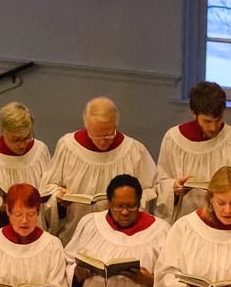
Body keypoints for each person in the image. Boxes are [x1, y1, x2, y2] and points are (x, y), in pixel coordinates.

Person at [41, 97, 158, 246]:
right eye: (96, 136)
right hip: (75, 236)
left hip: (118, 239)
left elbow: (150, 190)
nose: (103, 142)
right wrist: (58, 197)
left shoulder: (134, 151)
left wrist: (125, 203)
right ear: (86, 126)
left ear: (116, 124)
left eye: (108, 135)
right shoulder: (68, 146)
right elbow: (48, 187)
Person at [155, 81, 231, 222]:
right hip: (186, 221)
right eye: (207, 121)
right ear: (194, 113)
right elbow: (160, 181)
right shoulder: (173, 139)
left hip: (225, 222)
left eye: (218, 120)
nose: (213, 127)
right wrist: (174, 188)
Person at [0, 102, 53, 248]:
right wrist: (1, 210)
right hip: (5, 244)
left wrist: (57, 199)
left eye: (27, 137)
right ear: (3, 131)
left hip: (37, 238)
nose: (22, 145)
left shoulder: (40, 151)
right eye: (15, 139)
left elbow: (49, 188)